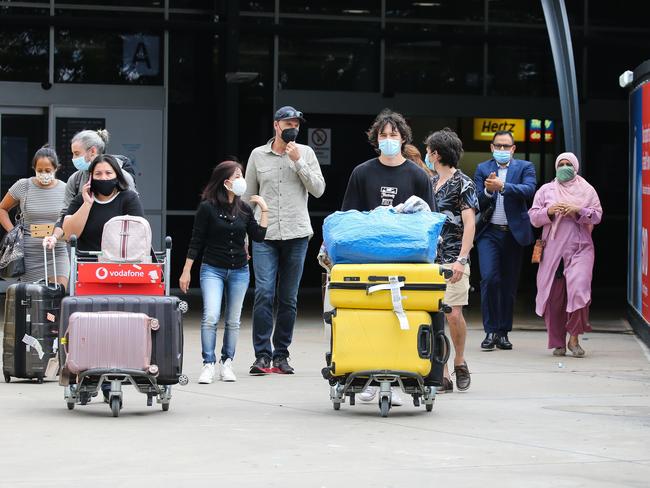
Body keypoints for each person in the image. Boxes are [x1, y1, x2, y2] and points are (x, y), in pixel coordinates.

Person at [341, 109, 434, 406]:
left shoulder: (418, 175)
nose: (389, 139)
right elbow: (349, 217)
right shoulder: (362, 172)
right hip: (367, 258)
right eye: (384, 135)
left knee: (398, 318)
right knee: (367, 318)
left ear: (403, 137)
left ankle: (396, 380)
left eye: (394, 135)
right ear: (375, 140)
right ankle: (366, 376)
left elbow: (429, 221)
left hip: (406, 261)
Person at [243, 106, 325, 375]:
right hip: (264, 233)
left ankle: (281, 355)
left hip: (297, 233)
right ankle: (262, 355)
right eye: (288, 123)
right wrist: (244, 235)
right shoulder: (257, 154)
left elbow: (318, 190)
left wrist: (298, 161)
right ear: (276, 125)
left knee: (288, 297)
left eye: (296, 124)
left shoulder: (307, 153)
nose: (293, 127)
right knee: (264, 293)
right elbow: (247, 198)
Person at [179, 161, 268, 384]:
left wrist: (264, 209)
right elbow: (196, 240)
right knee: (210, 316)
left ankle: (226, 362)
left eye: (241, 175)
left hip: (239, 270)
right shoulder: (207, 207)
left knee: (233, 320)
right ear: (225, 181)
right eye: (236, 176)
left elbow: (258, 236)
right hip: (212, 269)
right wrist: (186, 271)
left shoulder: (245, 209)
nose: (241, 180)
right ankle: (208, 363)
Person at [528, 152, 602, 357]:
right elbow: (534, 217)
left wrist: (577, 210)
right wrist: (550, 211)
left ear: (576, 166)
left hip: (580, 249)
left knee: (579, 289)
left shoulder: (587, 189)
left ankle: (575, 339)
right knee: (554, 298)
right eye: (561, 163)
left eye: (569, 164)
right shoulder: (546, 190)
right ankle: (558, 341)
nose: (564, 166)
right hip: (552, 250)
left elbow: (597, 216)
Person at [425, 128, 478, 393]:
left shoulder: (464, 183)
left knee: (453, 313)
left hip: (454, 258)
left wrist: (462, 259)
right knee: (434, 316)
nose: (426, 154)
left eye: (428, 150)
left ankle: (460, 360)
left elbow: (470, 224)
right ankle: (442, 373)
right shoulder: (429, 182)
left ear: (435, 153)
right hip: (428, 260)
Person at [474, 130, 536, 351]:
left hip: (513, 234)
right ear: (491, 147)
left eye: (505, 146)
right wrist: (489, 192)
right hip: (489, 233)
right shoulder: (483, 169)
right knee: (489, 279)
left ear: (513, 149)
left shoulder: (525, 167)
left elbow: (529, 190)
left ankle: (503, 332)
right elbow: (476, 201)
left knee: (509, 284)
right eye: (497, 146)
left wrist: (503, 187)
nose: (501, 150)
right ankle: (490, 331)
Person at [0, 146, 69, 288]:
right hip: (29, 254)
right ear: (34, 168)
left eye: (48, 171)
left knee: (56, 297)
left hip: (57, 252)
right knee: (31, 300)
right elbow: (2, 209)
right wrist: (13, 232)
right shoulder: (23, 186)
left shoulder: (65, 189)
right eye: (40, 170)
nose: (44, 174)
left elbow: (68, 219)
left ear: (56, 168)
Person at [50, 129, 136, 244]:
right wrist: (54, 237)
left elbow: (134, 216)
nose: (73, 158)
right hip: (84, 250)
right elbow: (65, 215)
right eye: (98, 174)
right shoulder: (75, 180)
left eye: (76, 153)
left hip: (118, 248)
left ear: (92, 151)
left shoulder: (123, 177)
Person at [62, 154, 143, 252]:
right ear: (91, 177)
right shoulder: (80, 200)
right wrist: (87, 204)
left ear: (117, 175)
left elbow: (139, 234)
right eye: (98, 174)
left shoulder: (129, 198)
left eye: (108, 173)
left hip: (121, 264)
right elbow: (68, 235)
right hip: (87, 263)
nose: (103, 178)